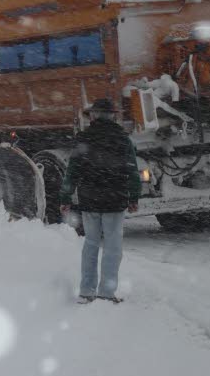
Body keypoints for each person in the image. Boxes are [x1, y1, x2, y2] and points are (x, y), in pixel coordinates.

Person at [59, 98, 141, 304]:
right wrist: (134, 196)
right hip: (115, 199)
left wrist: (65, 197)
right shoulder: (123, 140)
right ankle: (106, 292)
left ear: (93, 116)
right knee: (113, 246)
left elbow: (72, 171)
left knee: (91, 244)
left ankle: (86, 291)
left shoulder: (83, 139)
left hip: (90, 199)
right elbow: (132, 170)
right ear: (113, 115)